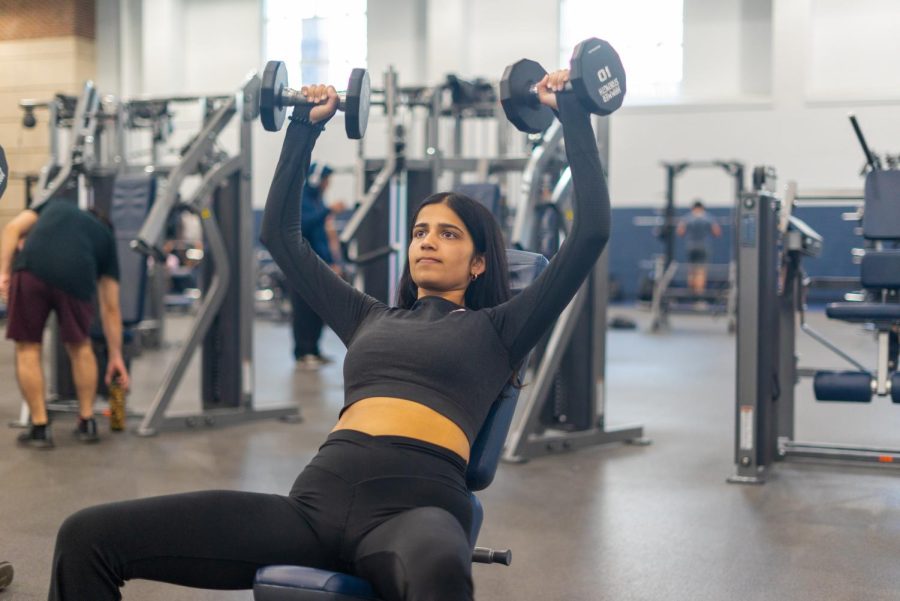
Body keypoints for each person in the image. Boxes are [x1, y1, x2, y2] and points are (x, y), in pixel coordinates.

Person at [48, 69, 609, 601]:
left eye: (447, 233)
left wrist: (574, 116)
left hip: (416, 506)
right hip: (315, 502)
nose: (426, 241)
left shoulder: (500, 328)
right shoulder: (369, 316)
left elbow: (589, 234)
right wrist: (304, 126)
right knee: (86, 537)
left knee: (439, 567)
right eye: (418, 231)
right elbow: (281, 236)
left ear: (481, 263)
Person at [0, 200, 130, 448]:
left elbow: (11, 229)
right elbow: (111, 308)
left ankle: (39, 428)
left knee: (28, 348)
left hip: (32, 269)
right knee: (80, 346)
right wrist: (116, 356)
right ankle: (87, 421)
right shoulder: (106, 238)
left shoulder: (55, 205)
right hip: (77, 278)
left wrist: (4, 273)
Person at [290, 162, 346, 369]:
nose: (327, 184)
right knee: (303, 310)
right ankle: (302, 352)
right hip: (302, 266)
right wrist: (329, 210)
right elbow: (304, 225)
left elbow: (323, 237)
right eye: (325, 180)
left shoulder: (317, 200)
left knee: (317, 310)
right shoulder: (302, 198)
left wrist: (333, 262)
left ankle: (314, 349)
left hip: (320, 264)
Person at [676, 199, 721, 296]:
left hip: (691, 246)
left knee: (691, 270)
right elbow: (717, 232)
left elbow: (680, 232)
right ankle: (699, 296)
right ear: (702, 208)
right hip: (703, 247)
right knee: (701, 271)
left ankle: (691, 295)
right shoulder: (708, 217)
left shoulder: (687, 217)